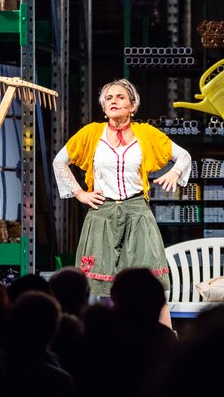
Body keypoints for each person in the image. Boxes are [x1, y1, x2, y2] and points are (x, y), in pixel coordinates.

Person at [53, 78, 191, 326]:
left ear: (132, 106)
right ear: (103, 108)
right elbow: (59, 162)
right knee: (97, 285)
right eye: (109, 98)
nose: (113, 101)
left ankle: (164, 340)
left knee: (150, 284)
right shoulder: (91, 133)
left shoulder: (146, 134)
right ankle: (94, 340)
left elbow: (183, 156)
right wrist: (80, 193)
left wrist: (175, 172)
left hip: (137, 213)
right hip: (102, 213)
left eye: (120, 97)